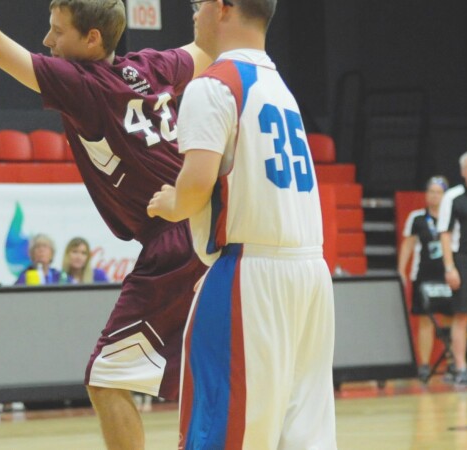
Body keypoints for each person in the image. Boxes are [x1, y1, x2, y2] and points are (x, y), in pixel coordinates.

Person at [0, 0, 213, 446]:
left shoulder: (79, 83)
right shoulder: (152, 66)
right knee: (204, 372)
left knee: (107, 379)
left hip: (174, 240)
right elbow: (208, 50)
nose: (47, 41)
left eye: (58, 31)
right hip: (208, 227)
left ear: (92, 39)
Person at [147, 0, 336, 446]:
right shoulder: (279, 86)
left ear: (222, 7)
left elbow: (195, 186)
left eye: (197, 4)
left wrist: (171, 204)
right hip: (311, 275)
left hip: (251, 273)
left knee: (224, 428)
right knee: (304, 430)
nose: (193, 13)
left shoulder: (214, 84)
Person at [400, 176, 449, 380]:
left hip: (447, 273)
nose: (434, 196)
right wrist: (401, 271)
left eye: (438, 192)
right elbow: (408, 244)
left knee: (451, 318)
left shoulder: (451, 216)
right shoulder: (417, 218)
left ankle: (453, 364)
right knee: (425, 320)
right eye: (430, 191)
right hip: (423, 274)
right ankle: (425, 365)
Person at [439, 152, 467, 386]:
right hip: (463, 261)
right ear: (463, 171)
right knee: (462, 314)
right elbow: (444, 233)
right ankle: (461, 368)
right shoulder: (453, 197)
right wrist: (449, 267)